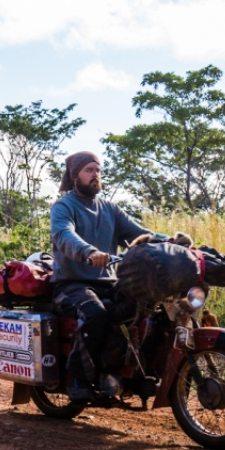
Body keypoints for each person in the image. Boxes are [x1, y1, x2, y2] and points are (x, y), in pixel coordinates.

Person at [50, 151, 162, 403]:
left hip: (108, 284)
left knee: (147, 306)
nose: (95, 175)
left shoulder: (109, 208)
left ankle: (135, 372)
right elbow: (64, 235)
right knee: (95, 313)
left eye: (98, 170)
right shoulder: (64, 207)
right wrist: (88, 252)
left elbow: (139, 233)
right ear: (74, 175)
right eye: (89, 170)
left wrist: (171, 242)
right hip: (71, 284)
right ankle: (77, 378)